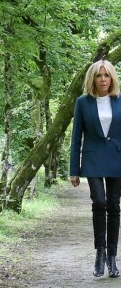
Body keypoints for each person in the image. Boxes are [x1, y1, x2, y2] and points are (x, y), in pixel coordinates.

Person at [70, 59, 121, 278]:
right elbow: (76, 137)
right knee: (99, 202)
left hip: (117, 159)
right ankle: (99, 253)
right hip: (92, 160)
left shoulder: (120, 100)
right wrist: (74, 169)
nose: (103, 79)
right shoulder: (83, 102)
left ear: (112, 78)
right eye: (99, 75)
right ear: (93, 78)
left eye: (107, 75)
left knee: (114, 205)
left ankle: (112, 257)